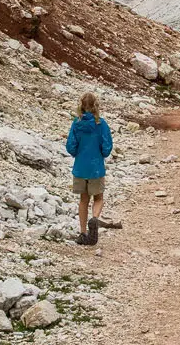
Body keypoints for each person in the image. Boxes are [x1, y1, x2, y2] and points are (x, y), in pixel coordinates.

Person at [65, 92, 113, 246]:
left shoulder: (76, 123)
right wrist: (101, 153)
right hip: (96, 168)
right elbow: (107, 147)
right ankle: (95, 219)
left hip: (80, 168)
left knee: (83, 200)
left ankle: (83, 233)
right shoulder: (101, 124)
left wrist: (78, 152)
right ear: (95, 106)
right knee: (98, 198)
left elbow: (70, 146)